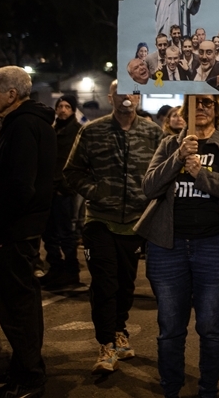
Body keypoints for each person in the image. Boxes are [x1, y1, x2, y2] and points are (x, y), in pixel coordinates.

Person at [136, 94, 219, 398]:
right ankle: (170, 389)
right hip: (167, 248)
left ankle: (207, 390)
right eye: (193, 103)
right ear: (184, 110)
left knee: (211, 326)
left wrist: (202, 174)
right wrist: (177, 158)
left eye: (207, 102)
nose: (200, 108)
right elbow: (149, 186)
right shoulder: (169, 144)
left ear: (217, 109)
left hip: (215, 248)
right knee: (170, 327)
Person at [64, 81, 164, 375]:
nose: (126, 97)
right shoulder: (92, 130)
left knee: (126, 283)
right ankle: (106, 343)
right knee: (105, 283)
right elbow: (72, 172)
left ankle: (120, 331)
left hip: (135, 224)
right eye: (120, 92)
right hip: (99, 221)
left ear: (139, 96)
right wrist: (96, 191)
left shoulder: (152, 132)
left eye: (132, 92)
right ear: (111, 97)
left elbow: (162, 173)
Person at [0, 66, 58, 398]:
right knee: (17, 305)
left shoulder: (23, 126)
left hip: (15, 232)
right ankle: (21, 368)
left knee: (17, 307)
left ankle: (30, 376)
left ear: (12, 95)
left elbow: (20, 186)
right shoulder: (25, 123)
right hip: (19, 230)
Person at [39, 95, 84, 290]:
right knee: (49, 233)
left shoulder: (77, 131)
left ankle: (71, 271)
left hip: (64, 191)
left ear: (73, 110)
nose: (63, 110)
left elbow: (76, 162)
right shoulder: (53, 129)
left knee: (66, 232)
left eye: (67, 106)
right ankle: (55, 268)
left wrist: (65, 187)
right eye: (60, 106)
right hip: (48, 189)